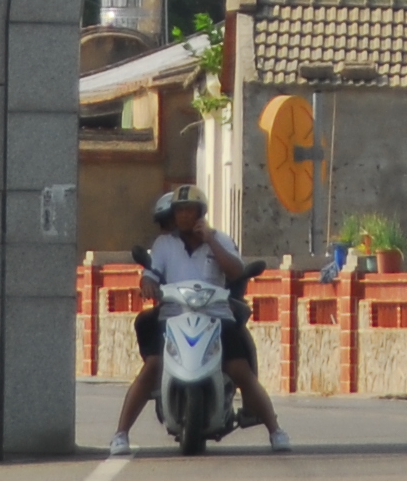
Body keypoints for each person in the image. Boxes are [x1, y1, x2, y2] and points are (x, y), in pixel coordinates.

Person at [107, 186, 288, 454]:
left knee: (239, 369)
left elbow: (236, 271)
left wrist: (211, 240)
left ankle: (275, 429)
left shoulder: (221, 240)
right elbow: (151, 274)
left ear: (200, 213)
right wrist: (146, 284)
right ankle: (120, 434)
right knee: (153, 366)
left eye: (189, 210)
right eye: (179, 210)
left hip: (217, 317)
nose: (183, 216)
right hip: (173, 317)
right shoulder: (164, 245)